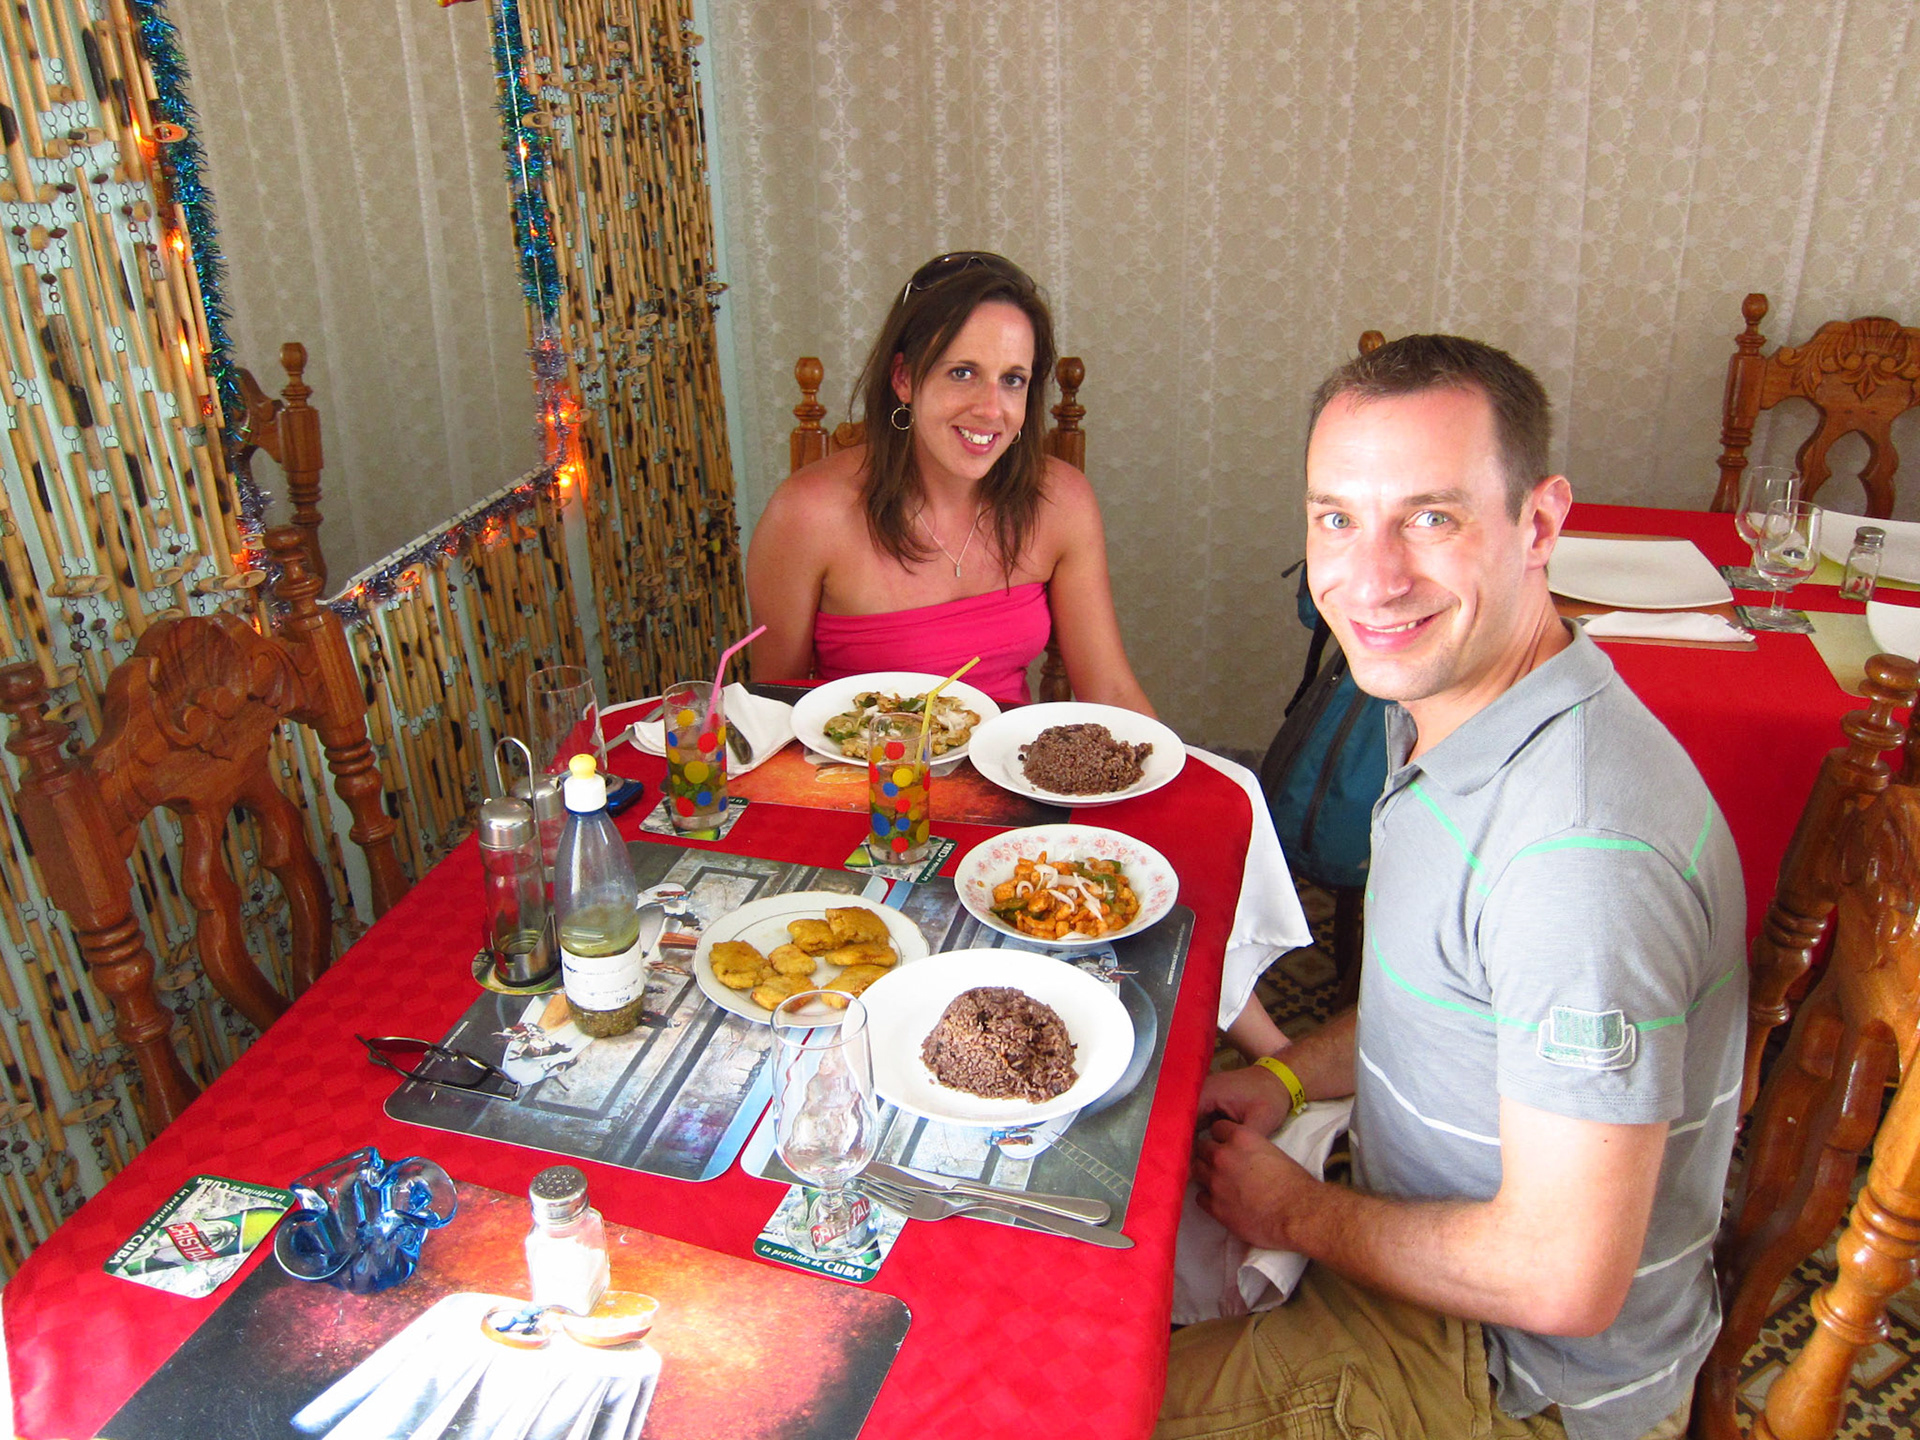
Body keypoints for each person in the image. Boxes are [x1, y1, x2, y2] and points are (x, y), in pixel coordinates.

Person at [1159, 336, 1746, 1440]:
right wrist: (1286, 1081)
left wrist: (1298, 1212)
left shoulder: (1579, 863)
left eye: (1430, 517)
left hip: (1513, 1373)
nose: (1372, 579)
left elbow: (1561, 1276)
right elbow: (1452, 1007)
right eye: (1338, 518)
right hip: (1403, 1228)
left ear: (1540, 525)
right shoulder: (1447, 706)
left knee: (1043, 1404)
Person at [745, 251, 1154, 712]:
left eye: (1012, 380)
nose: (991, 410)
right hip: (866, 759)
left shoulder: (1063, 500)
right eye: (963, 373)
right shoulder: (807, 514)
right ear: (903, 378)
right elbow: (773, 709)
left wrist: (1171, 758)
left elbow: (1111, 691)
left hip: (1014, 757)